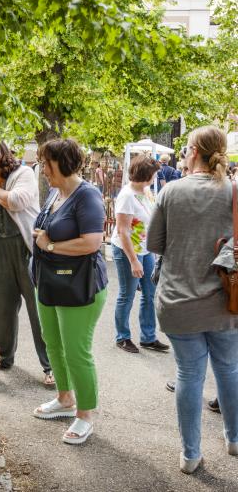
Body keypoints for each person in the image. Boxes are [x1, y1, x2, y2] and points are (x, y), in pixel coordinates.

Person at [147, 126, 238, 473]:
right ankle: (234, 439)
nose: (182, 154)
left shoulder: (172, 191)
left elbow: (154, 243)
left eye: (185, 148)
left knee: (189, 375)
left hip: (178, 302)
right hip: (227, 303)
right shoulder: (234, 193)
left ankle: (190, 455)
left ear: (196, 150)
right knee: (230, 370)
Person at [31, 138, 107, 446]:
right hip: (49, 282)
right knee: (53, 343)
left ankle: (85, 413)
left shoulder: (86, 195)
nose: (42, 168)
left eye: (45, 162)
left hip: (79, 286)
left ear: (61, 162)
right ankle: (64, 399)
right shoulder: (55, 193)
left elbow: (92, 243)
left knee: (77, 351)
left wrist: (49, 245)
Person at [0, 140, 53, 384]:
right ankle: (4, 357)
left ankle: (50, 366)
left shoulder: (23, 173)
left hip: (27, 249)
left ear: (0, 153)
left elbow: (17, 201)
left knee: (38, 310)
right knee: (2, 308)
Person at [110, 155, 169, 353]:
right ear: (146, 174)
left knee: (150, 294)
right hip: (129, 251)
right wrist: (134, 261)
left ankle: (148, 337)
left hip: (145, 250)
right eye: (153, 174)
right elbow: (122, 231)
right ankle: (123, 337)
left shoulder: (144, 191)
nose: (155, 177)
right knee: (127, 295)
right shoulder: (127, 196)